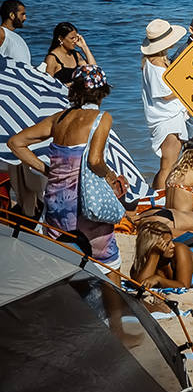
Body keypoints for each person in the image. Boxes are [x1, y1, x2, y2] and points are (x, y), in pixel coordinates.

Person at [6, 66, 123, 270]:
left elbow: (16, 143)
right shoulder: (102, 118)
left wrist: (46, 170)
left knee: (60, 259)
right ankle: (116, 301)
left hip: (55, 204)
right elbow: (95, 161)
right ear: (101, 92)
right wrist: (112, 176)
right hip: (84, 205)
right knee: (108, 261)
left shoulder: (58, 118)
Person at [140, 19, 189, 190]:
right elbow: (167, 95)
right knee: (168, 166)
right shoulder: (157, 66)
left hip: (164, 117)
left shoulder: (151, 63)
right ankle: (162, 200)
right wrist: (187, 87)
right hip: (167, 119)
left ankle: (154, 196)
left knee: (167, 165)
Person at [0, 0, 30, 64]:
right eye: (22, 14)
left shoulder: (15, 36)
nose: (25, 18)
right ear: (12, 15)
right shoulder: (2, 33)